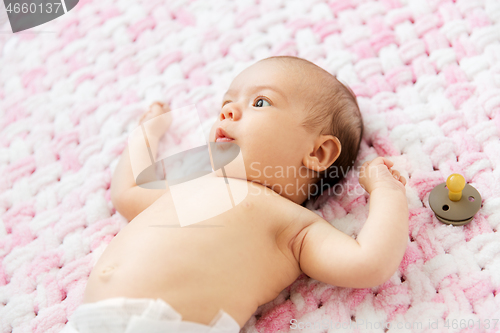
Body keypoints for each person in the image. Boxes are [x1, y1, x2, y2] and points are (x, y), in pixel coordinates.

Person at [62, 56, 408, 333]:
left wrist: (385, 190)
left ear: (317, 154)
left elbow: (368, 262)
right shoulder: (194, 188)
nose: (227, 111)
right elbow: (127, 193)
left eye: (260, 101)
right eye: (226, 103)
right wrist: (146, 134)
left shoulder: (292, 226)